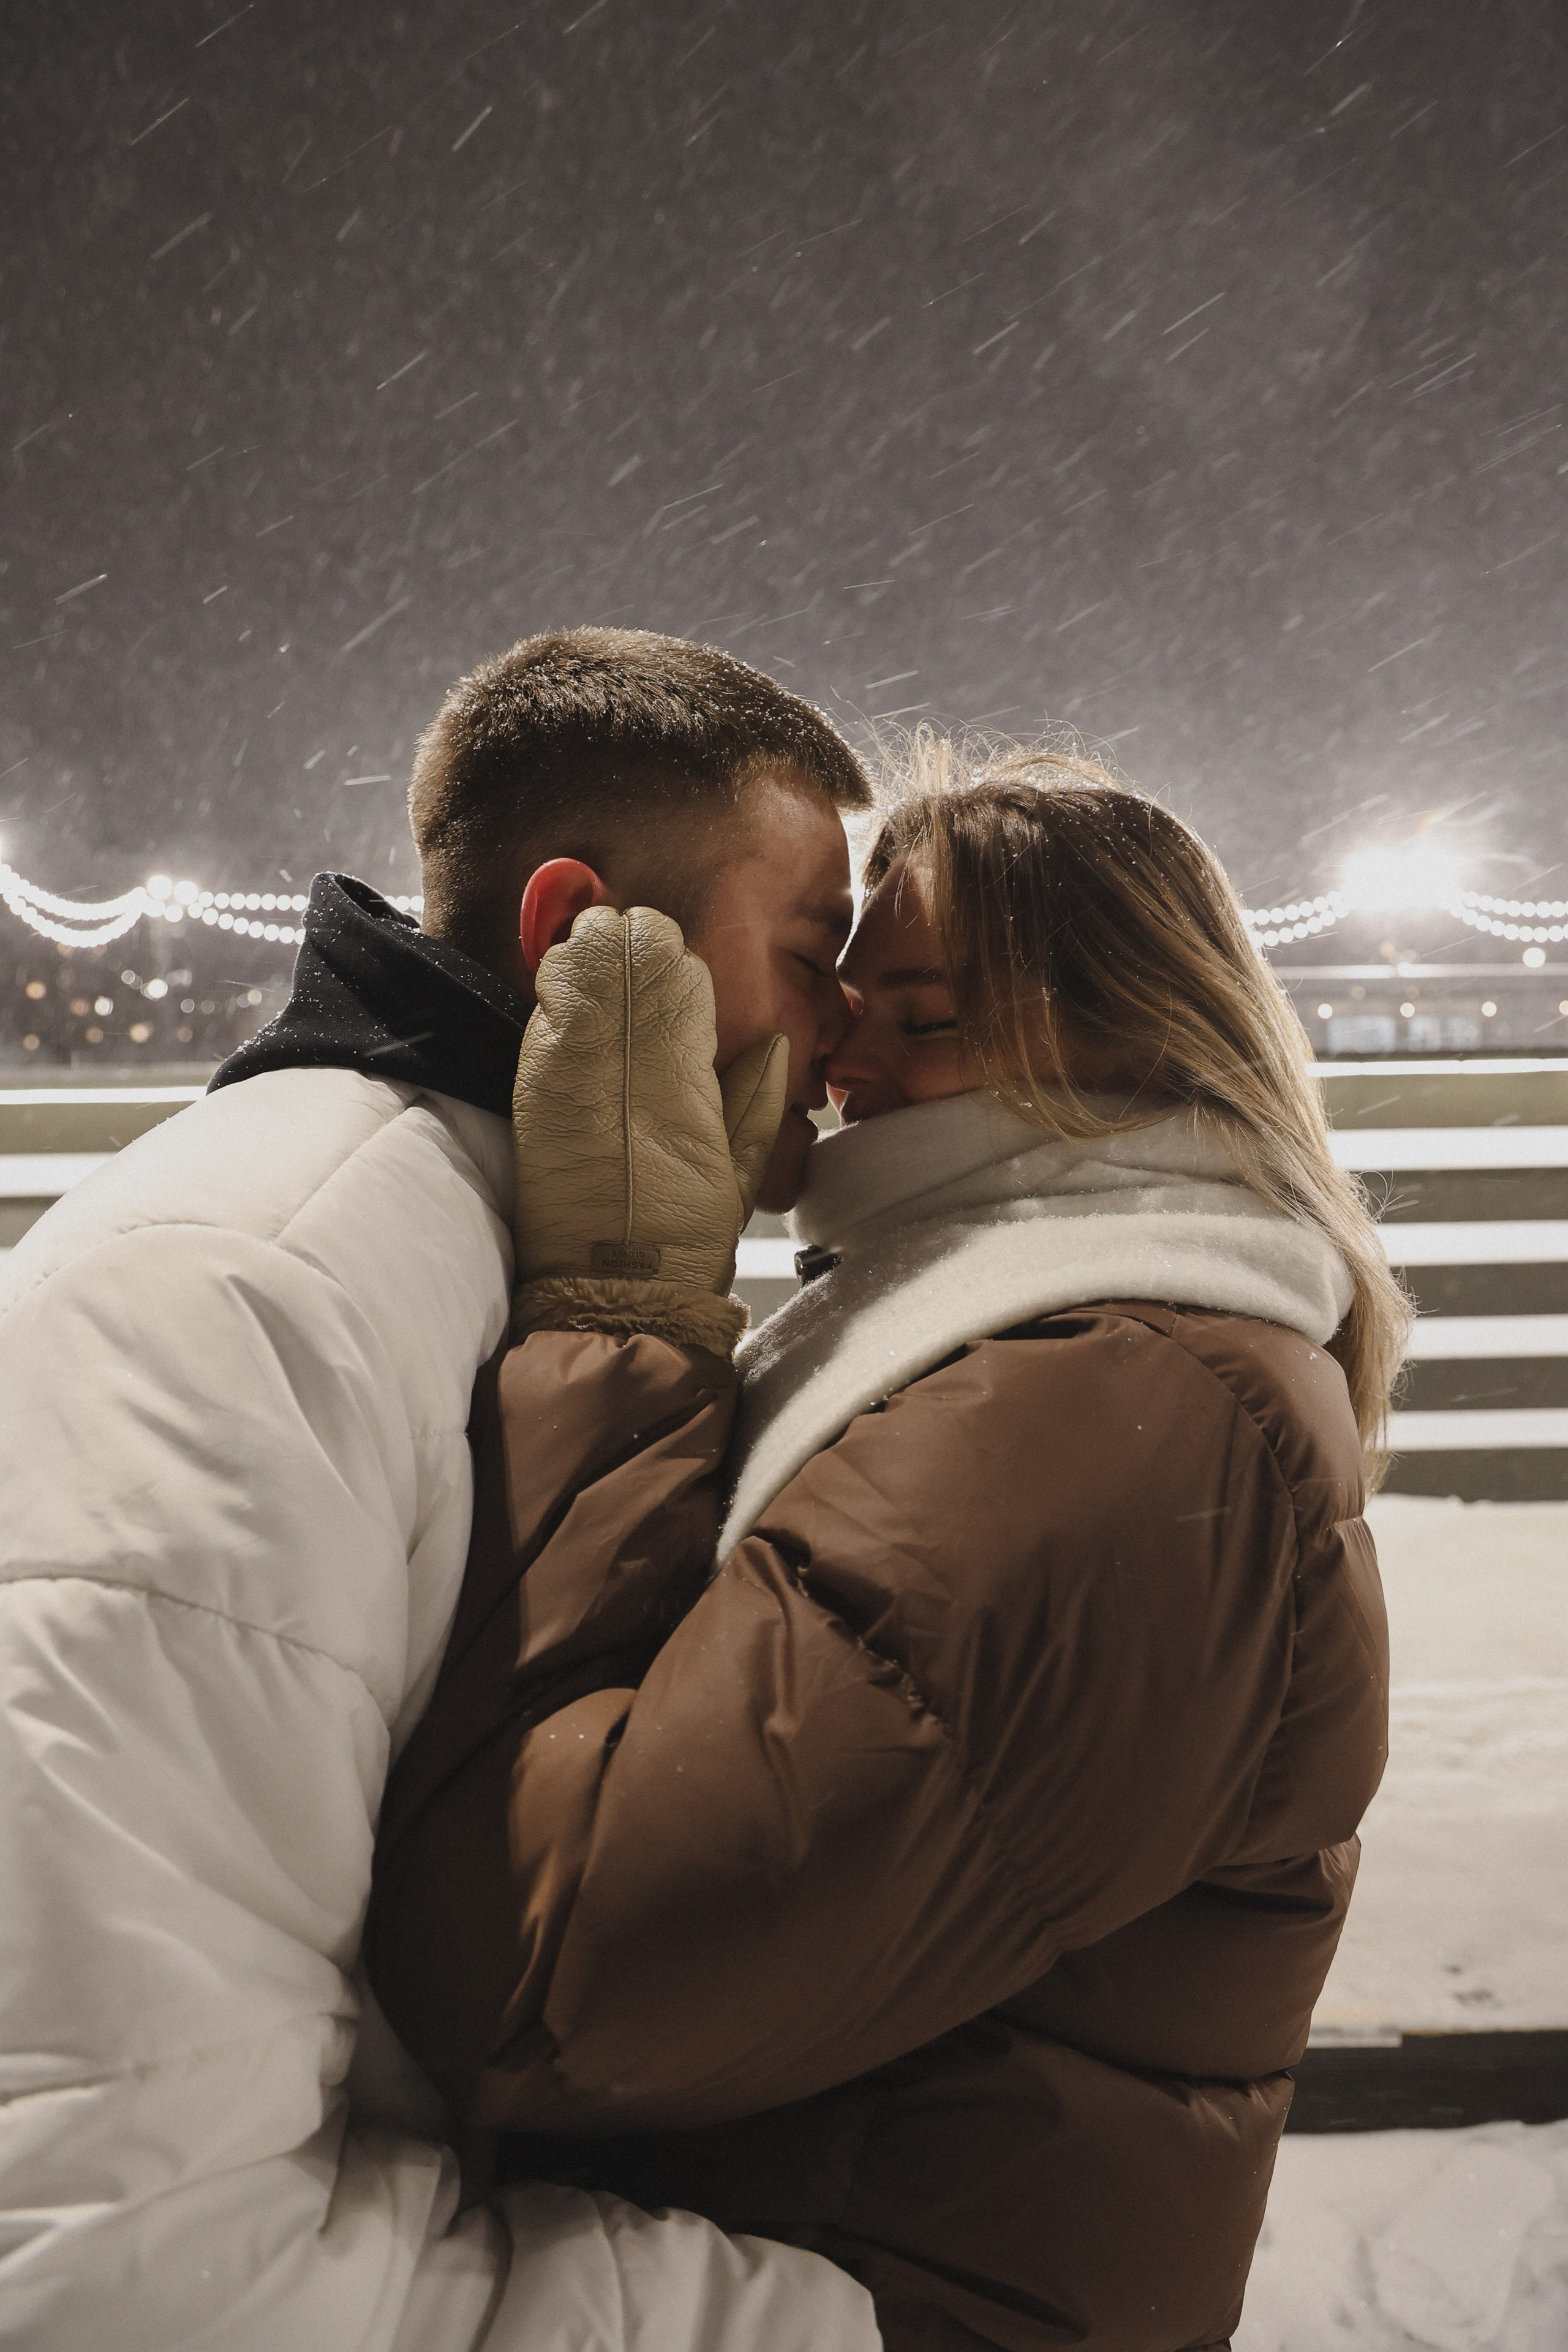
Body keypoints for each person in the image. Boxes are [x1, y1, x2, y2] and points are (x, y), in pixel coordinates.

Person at [363, 737, 1409, 2352]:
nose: (834, 1056)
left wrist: (623, 1327)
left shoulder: (1118, 1409)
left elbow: (560, 1976)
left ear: (1154, 1047)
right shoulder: (1034, 1344)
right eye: (843, 995)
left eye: (927, 1020)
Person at [0, 627, 883, 2351]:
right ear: (576, 937)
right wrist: (829, 2322)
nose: (848, 1036)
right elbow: (118, 2258)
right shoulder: (246, 1292)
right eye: (812, 952)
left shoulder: (506, 1257)